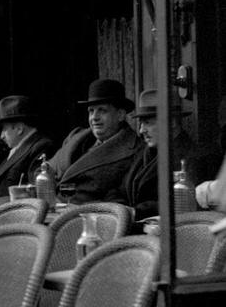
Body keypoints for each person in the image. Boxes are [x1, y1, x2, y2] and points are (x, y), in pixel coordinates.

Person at [48, 78, 143, 204]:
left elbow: (118, 199)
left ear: (120, 115)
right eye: (91, 111)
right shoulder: (77, 136)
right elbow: (45, 169)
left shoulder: (136, 151)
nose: (94, 117)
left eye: (102, 110)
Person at [122, 89, 202, 218]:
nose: (141, 130)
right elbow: (122, 188)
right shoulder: (143, 152)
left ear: (172, 123)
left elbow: (182, 202)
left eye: (147, 122)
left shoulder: (192, 157)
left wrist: (136, 212)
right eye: (141, 123)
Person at [0, 95, 56, 203]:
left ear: (19, 129)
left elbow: (34, 192)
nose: (1, 136)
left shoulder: (41, 147)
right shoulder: (15, 149)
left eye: (4, 129)